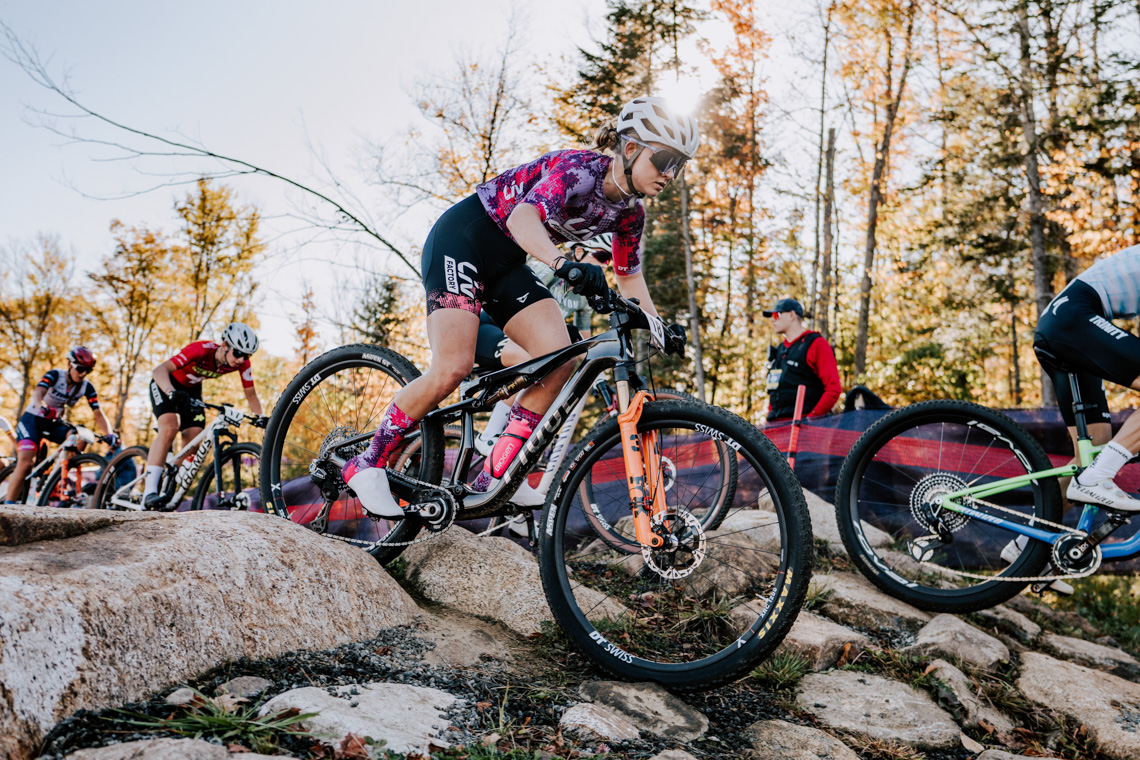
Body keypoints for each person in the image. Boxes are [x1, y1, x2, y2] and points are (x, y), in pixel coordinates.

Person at [343, 96, 694, 518]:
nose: (670, 174)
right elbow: (521, 219)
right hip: (463, 240)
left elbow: (630, 277)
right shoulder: (581, 171)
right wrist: (563, 264)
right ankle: (367, 462)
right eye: (665, 160)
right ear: (632, 148)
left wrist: (658, 327)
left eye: (679, 165)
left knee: (560, 359)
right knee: (453, 367)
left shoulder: (630, 215)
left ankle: (493, 477)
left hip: (506, 264)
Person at [472, 233, 613, 457]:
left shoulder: (583, 298)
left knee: (552, 364)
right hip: (487, 330)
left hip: (521, 341)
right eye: (602, 257)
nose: (606, 265)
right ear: (578, 252)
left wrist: (601, 379)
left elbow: (586, 342)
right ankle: (489, 436)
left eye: (609, 261)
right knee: (537, 361)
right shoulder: (549, 270)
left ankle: (511, 437)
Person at [143, 323, 265, 510]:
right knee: (169, 428)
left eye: (247, 356)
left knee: (194, 442)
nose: (241, 359)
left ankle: (170, 486)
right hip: (166, 384)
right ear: (224, 345)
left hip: (192, 390)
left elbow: (251, 394)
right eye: (238, 353)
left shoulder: (242, 364)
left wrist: (261, 418)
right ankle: (149, 493)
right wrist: (170, 392)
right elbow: (159, 370)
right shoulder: (200, 350)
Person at [6, 347, 115, 503]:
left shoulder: (86, 386)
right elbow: (38, 393)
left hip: (54, 423)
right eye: (80, 369)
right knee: (26, 463)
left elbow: (98, 412)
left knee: (80, 437)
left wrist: (109, 434)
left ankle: (59, 474)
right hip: (32, 420)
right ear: (70, 364)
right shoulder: (55, 375)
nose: (83, 374)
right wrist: (43, 406)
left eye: (88, 370)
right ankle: (7, 505)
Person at [764, 298, 842, 422]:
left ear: (791, 315)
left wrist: (811, 419)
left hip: (803, 427)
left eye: (776, 315)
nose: (773, 320)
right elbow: (774, 391)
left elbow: (833, 388)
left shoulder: (817, 344)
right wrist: (769, 421)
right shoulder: (779, 350)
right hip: (776, 427)